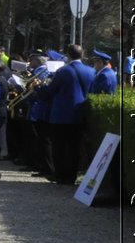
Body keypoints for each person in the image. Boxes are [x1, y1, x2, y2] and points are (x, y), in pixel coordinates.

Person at [40, 43, 95, 185]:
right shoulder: (90, 71)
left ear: (68, 55)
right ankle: (72, 175)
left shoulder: (63, 71)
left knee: (59, 147)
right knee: (74, 147)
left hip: (61, 115)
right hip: (80, 114)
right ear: (82, 55)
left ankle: (60, 175)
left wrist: (39, 88)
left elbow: (50, 91)